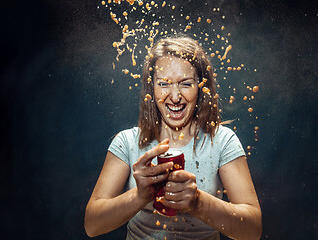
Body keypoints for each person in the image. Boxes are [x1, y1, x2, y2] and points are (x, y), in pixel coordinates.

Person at [84, 36, 262, 240]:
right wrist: (140, 196)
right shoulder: (127, 142)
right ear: (151, 89)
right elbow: (92, 225)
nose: (175, 96)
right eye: (164, 84)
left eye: (185, 84)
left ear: (201, 87)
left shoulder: (222, 141)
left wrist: (198, 202)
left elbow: (253, 230)